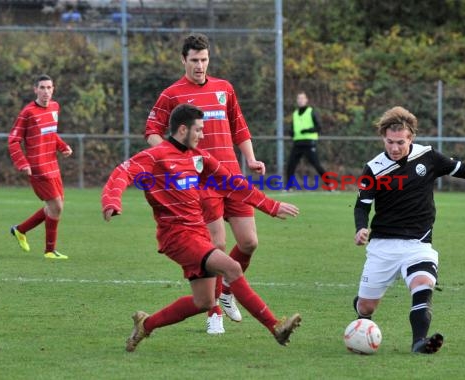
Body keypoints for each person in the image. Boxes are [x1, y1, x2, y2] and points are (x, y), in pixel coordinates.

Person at [102, 104, 302, 352]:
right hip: (176, 236)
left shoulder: (199, 157)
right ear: (183, 129)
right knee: (232, 267)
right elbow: (122, 172)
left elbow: (233, 182)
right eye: (198, 130)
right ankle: (275, 327)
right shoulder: (156, 156)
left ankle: (145, 324)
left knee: (204, 301)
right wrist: (112, 201)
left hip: (197, 234)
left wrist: (271, 206)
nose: (203, 135)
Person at [352, 106, 465, 354]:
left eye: (400, 142)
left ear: (410, 137)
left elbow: (464, 169)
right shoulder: (373, 168)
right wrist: (361, 228)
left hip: (418, 244)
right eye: (390, 142)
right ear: (383, 138)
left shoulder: (428, 157)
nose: (394, 148)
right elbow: (362, 205)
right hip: (383, 245)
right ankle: (361, 316)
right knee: (367, 307)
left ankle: (419, 343)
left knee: (423, 285)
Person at [145, 34, 266, 334]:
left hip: (232, 176)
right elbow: (152, 131)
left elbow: (239, 127)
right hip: (201, 183)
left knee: (249, 242)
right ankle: (213, 312)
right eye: (194, 60)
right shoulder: (172, 94)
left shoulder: (224, 88)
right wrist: (173, 157)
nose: (200, 66)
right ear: (183, 60)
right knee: (216, 245)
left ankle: (226, 293)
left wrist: (250, 159)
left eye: (204, 60)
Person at [8, 74, 73, 259]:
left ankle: (20, 230)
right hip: (38, 168)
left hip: (53, 164)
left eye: (49, 87)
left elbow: (51, 134)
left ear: (53, 89)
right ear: (35, 89)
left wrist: (63, 146)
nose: (46, 91)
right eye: (42, 88)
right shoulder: (27, 112)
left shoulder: (54, 107)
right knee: (56, 207)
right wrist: (23, 163)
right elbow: (13, 141)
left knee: (55, 207)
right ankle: (49, 251)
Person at [285, 91, 328, 191]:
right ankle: (289, 186)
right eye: (298, 99)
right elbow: (293, 128)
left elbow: (319, 127)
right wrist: (291, 132)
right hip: (297, 143)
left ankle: (329, 184)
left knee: (316, 164)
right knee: (291, 165)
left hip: (309, 143)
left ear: (306, 100)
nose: (300, 100)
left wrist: (307, 130)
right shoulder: (295, 113)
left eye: (302, 98)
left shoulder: (311, 111)